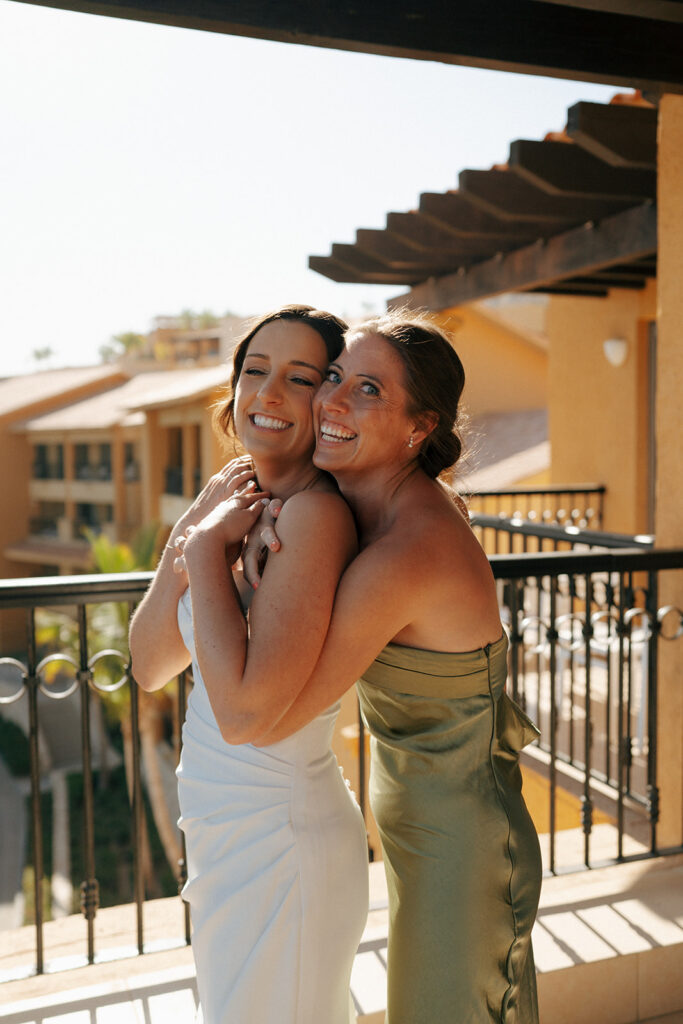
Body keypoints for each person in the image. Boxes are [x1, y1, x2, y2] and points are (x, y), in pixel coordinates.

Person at [186, 311, 542, 1024]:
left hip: (462, 846)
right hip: (423, 829)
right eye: (336, 377)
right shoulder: (394, 505)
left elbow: (252, 715)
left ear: (418, 428)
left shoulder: (404, 553)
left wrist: (201, 554)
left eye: (369, 390)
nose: (333, 402)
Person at [129, 305, 369, 1024]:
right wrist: (196, 533)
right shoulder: (229, 499)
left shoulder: (314, 518)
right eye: (253, 371)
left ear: (325, 402)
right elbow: (148, 663)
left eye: (298, 378)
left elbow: (240, 716)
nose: (266, 393)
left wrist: (202, 556)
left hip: (279, 843)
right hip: (225, 837)